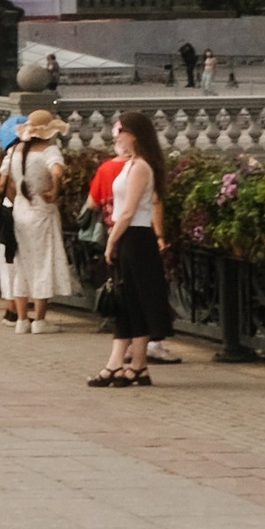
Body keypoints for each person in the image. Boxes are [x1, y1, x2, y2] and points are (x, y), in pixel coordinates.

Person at [93, 109, 174, 388]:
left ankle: (131, 364)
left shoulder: (140, 167)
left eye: (120, 131)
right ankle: (130, 364)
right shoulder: (131, 164)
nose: (116, 136)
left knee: (133, 299)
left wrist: (111, 240)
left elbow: (128, 211)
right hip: (129, 236)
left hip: (136, 237)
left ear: (134, 135)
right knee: (128, 301)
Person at [2, 109, 68, 335]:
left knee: (22, 264)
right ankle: (39, 319)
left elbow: (4, 179)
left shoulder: (14, 151)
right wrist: (54, 189)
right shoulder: (49, 151)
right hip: (41, 211)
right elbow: (57, 171)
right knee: (42, 263)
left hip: (20, 210)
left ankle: (22, 319)